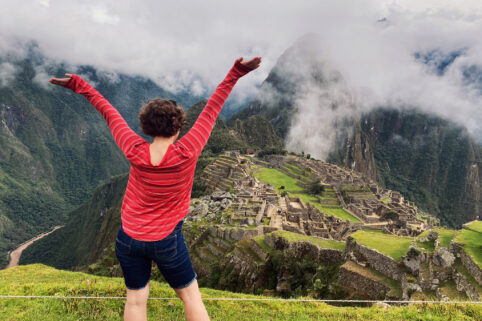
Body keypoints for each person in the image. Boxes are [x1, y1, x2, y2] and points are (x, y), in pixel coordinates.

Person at [49, 56, 262, 321]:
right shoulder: (188, 150)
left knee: (136, 301)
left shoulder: (133, 149)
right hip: (167, 240)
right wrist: (236, 71)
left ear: (145, 127)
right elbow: (213, 107)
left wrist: (80, 85)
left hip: (128, 239)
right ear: (179, 126)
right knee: (191, 297)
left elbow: (108, 112)